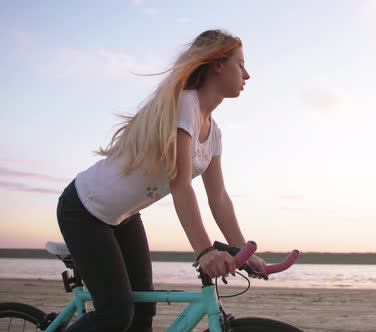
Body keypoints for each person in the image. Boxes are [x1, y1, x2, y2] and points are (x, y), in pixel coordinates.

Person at [56, 29, 266, 332]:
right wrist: (205, 251)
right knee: (114, 314)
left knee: (142, 314)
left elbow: (218, 197)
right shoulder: (185, 105)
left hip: (124, 217)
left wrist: (242, 250)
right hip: (84, 210)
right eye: (240, 64)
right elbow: (180, 183)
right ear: (217, 65)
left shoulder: (214, 130)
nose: (247, 74)